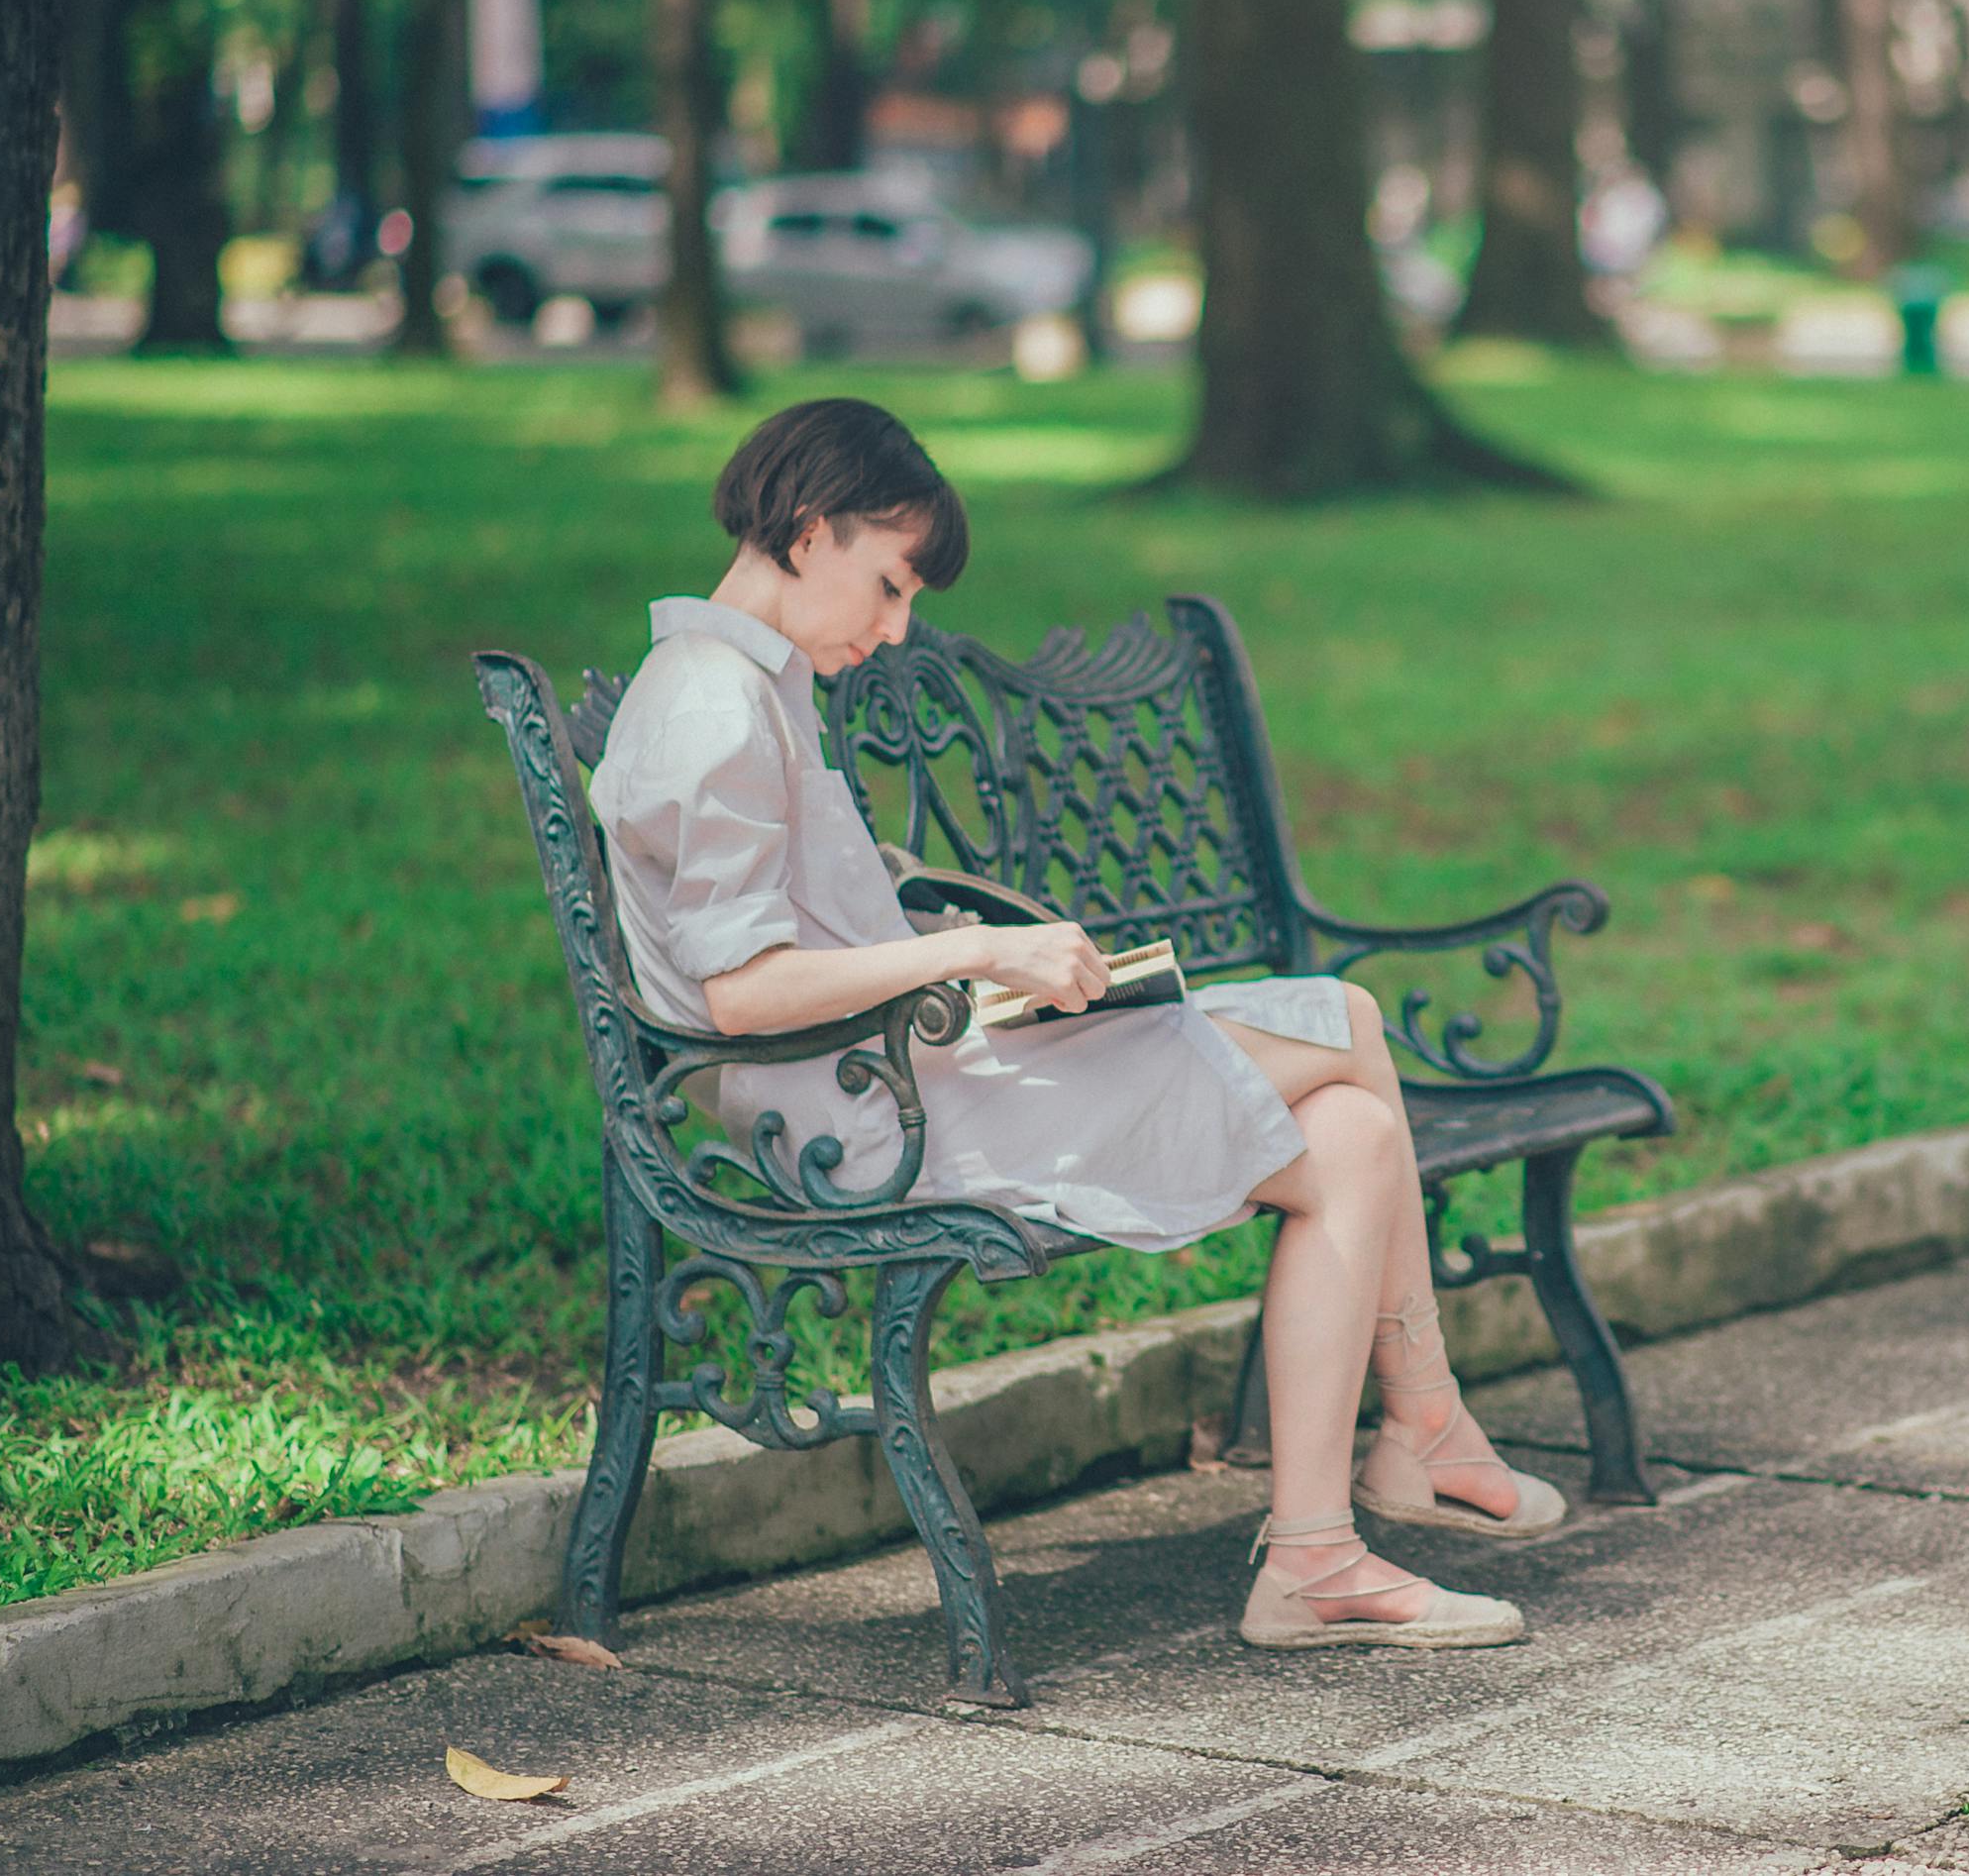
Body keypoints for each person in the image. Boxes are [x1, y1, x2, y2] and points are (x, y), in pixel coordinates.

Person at [584, 397, 1560, 1650]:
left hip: (893, 1074)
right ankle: (1419, 1428)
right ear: (809, 530)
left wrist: (955, 929)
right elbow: (739, 994)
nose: (892, 632)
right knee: (1349, 1025)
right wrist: (980, 947)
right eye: (888, 588)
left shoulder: (740, 686)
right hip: (855, 1120)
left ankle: (1323, 1551)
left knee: (1361, 1133)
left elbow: (785, 919)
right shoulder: (715, 705)